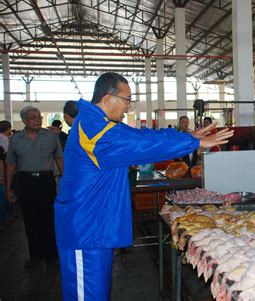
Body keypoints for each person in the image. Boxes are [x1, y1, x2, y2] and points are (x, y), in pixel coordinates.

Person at [54, 72, 232, 300]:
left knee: (97, 293)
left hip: (95, 226)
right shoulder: (92, 128)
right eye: (127, 100)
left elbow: (142, 135)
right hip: (85, 229)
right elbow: (139, 145)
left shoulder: (101, 123)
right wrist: (192, 142)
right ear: (108, 99)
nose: (128, 107)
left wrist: (187, 136)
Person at [5, 106, 64, 266]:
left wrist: (66, 181)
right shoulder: (16, 140)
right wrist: (8, 188)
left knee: (49, 218)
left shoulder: (51, 137)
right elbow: (10, 164)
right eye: (33, 117)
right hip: (25, 182)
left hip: (46, 181)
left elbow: (59, 158)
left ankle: (51, 255)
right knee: (30, 218)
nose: (38, 119)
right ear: (24, 120)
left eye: (39, 116)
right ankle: (35, 255)